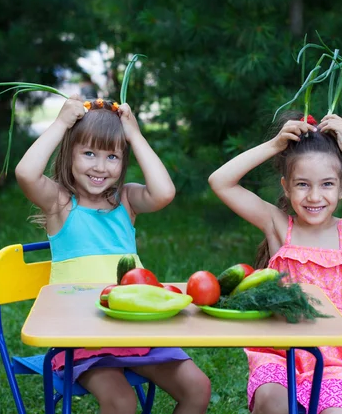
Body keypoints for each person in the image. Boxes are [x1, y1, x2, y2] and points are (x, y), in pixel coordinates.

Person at [15, 95, 211, 414]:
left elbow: (164, 192)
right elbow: (25, 174)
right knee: (121, 401)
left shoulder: (126, 202)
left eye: (112, 157)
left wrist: (134, 135)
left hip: (136, 331)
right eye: (89, 153)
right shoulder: (60, 203)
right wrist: (61, 123)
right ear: (70, 154)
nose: (99, 166)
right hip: (82, 336)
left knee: (198, 388)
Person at [208, 112, 342, 414]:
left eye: (327, 184)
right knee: (272, 405)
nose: (314, 196)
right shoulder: (278, 226)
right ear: (286, 187)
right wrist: (275, 145)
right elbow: (220, 182)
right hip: (277, 353)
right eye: (302, 184)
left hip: (333, 363)